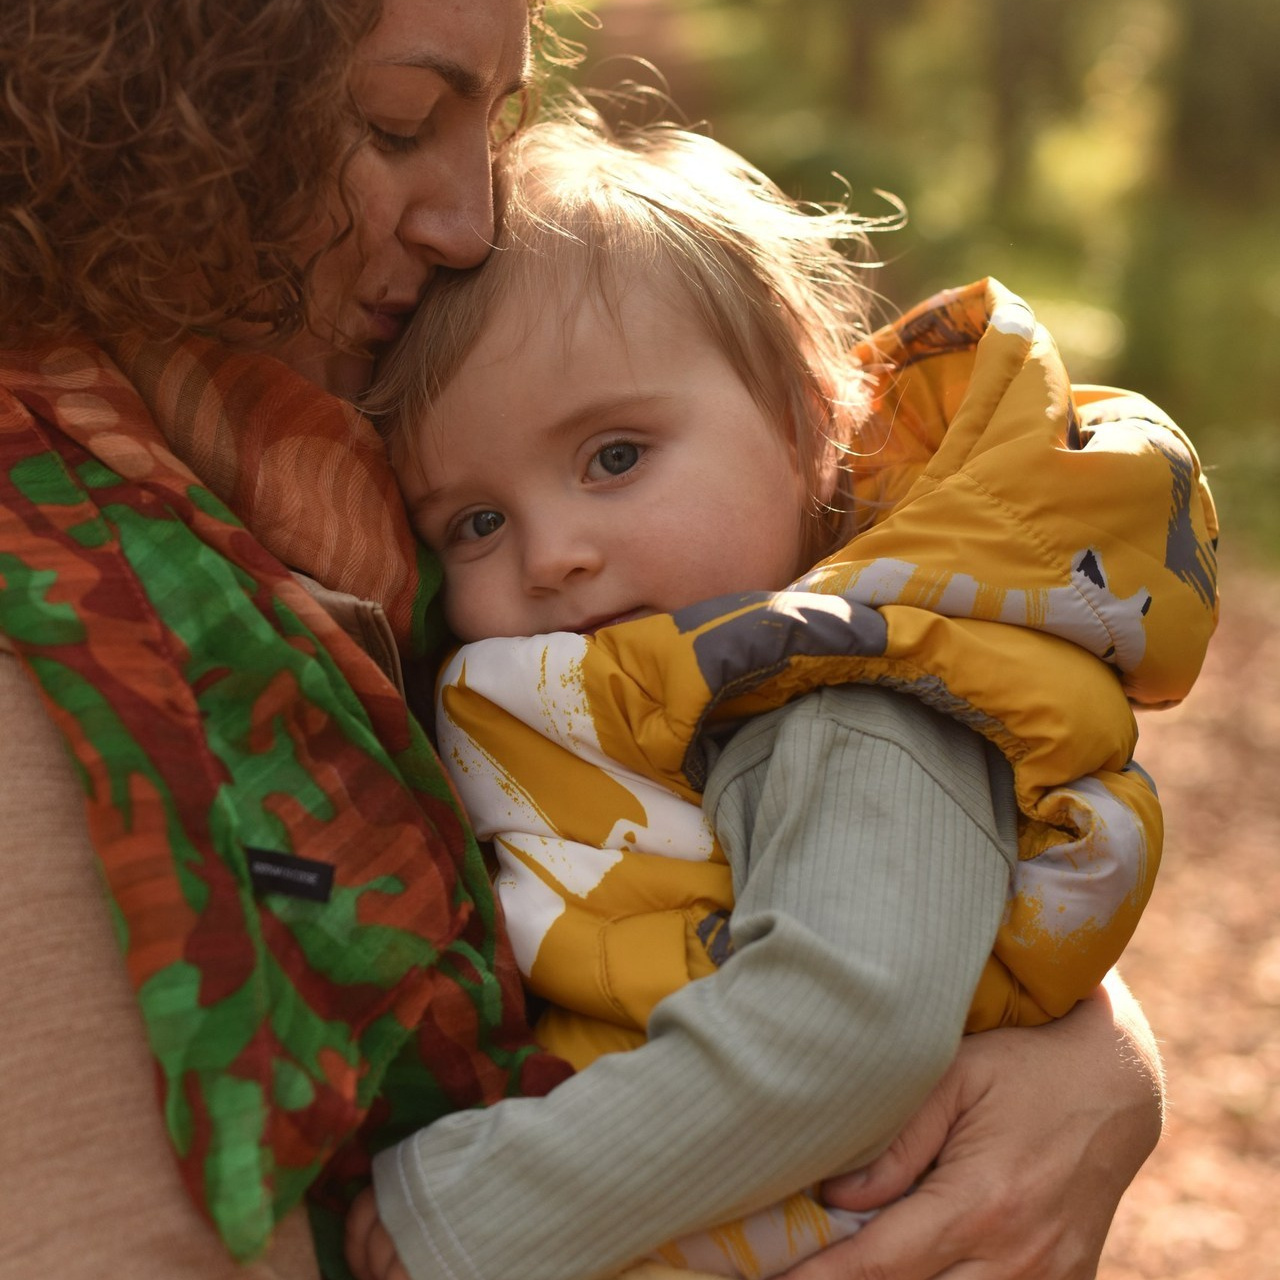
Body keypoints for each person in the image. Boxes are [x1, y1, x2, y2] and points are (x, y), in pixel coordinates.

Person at [0, 3, 1180, 1279]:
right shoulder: (92, 578)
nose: (473, 220)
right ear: (147, 99)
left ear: (811, 424)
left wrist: (1077, 1058)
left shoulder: (330, 488)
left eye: (492, 126)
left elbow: (849, 955)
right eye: (398, 123)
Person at [346, 113, 1217, 1280]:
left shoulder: (848, 704)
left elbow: (842, 1030)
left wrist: (462, 1212)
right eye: (476, 521)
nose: (549, 552)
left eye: (613, 456)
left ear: (813, 419)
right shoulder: (667, 688)